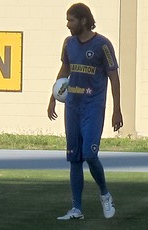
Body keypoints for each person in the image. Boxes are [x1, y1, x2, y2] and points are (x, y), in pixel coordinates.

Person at [47, 3, 123, 220]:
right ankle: (77, 209)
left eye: (71, 20)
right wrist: (52, 97)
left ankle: (105, 194)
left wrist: (116, 110)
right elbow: (64, 70)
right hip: (72, 106)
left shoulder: (103, 45)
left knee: (90, 154)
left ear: (82, 20)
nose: (68, 24)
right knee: (74, 159)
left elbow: (114, 77)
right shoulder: (68, 43)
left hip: (93, 107)